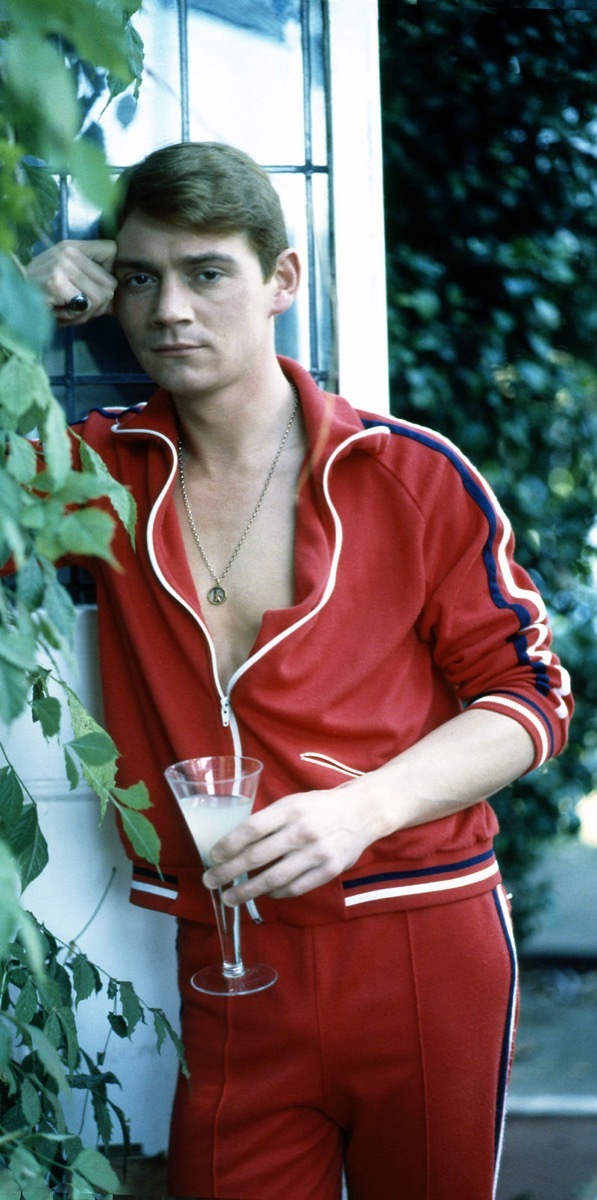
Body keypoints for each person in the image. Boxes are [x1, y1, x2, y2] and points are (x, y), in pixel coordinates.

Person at [27, 141, 573, 1200]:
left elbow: (530, 699)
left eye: (207, 272)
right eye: (141, 278)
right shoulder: (97, 470)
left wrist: (360, 810)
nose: (170, 310)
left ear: (281, 282)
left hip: (418, 938)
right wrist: (17, 299)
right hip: (231, 957)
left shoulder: (408, 476)